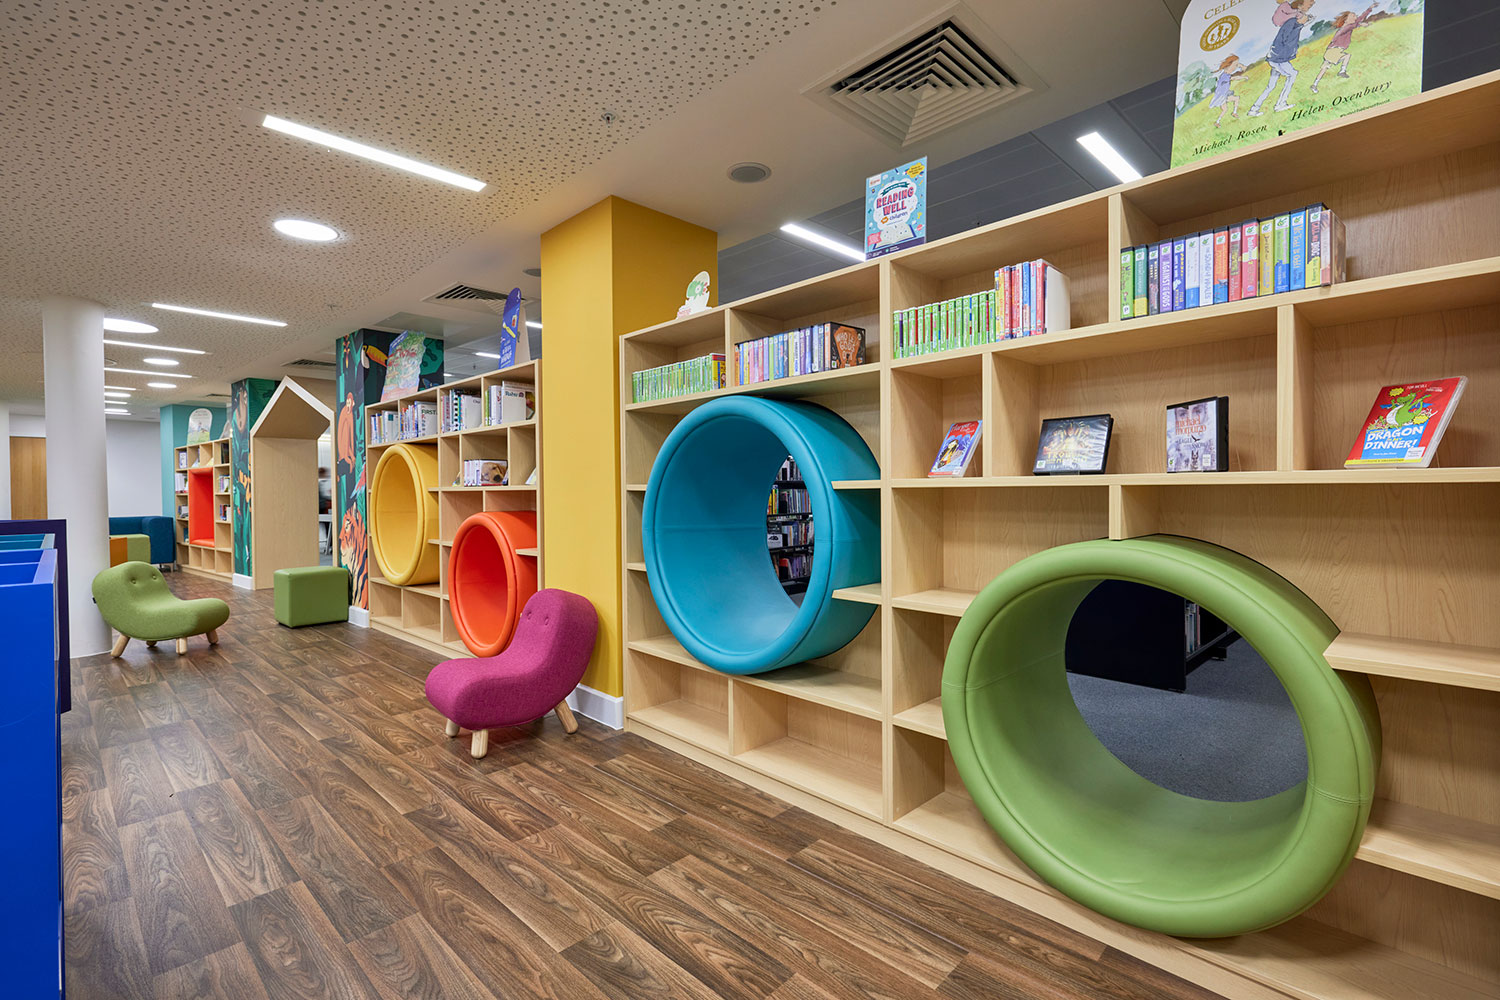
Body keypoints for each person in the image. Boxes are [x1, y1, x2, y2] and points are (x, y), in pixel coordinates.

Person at [1250, 0, 1316, 116]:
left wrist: (1302, 24)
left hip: (1275, 58)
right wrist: (1300, 25)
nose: (1306, 17)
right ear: (1299, 6)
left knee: (1271, 86)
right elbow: (1286, 39)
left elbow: (1293, 32)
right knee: (1292, 74)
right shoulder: (1291, 22)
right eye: (1304, 16)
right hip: (1279, 58)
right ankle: (1280, 104)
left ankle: (1254, 109)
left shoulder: (1294, 23)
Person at [1312, 5, 1377, 94]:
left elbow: (1359, 20)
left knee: (1324, 68)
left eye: (1355, 15)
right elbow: (1355, 24)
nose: (1355, 17)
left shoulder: (1349, 26)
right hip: (1334, 50)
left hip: (1332, 50)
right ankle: (1342, 71)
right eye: (1353, 16)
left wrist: (1369, 9)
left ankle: (1315, 84)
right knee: (1347, 56)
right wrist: (1361, 23)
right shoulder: (1346, 27)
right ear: (1346, 20)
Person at [1210, 54, 1247, 127]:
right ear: (1228, 66)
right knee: (1232, 102)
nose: (1235, 68)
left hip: (1224, 95)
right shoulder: (1224, 76)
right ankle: (1233, 113)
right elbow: (1234, 78)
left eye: (1236, 66)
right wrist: (1243, 77)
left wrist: (1240, 65)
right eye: (1234, 66)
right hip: (1222, 96)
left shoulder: (1226, 75)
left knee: (1226, 108)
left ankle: (1218, 121)